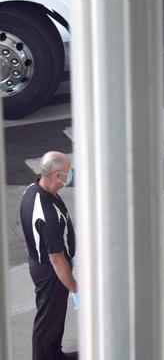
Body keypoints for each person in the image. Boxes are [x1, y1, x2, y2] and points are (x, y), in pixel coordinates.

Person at [20, 151, 79, 360]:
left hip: (41, 265)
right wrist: (74, 288)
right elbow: (56, 259)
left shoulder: (32, 190)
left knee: (53, 319)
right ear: (57, 175)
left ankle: (55, 354)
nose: (70, 174)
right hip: (51, 273)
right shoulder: (48, 215)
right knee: (47, 323)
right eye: (68, 171)